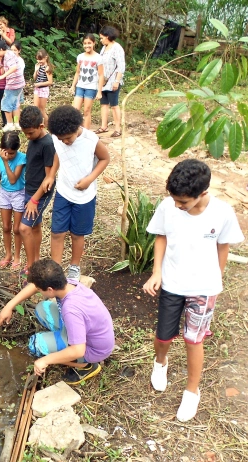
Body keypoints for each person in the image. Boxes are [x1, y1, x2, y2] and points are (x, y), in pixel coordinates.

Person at [143, 159, 244, 422]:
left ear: (202, 193)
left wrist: (216, 280)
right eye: (175, 200)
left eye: (184, 202)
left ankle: (191, 391)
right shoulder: (168, 206)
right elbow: (161, 235)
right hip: (173, 284)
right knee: (163, 337)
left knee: (193, 339)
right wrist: (157, 272)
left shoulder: (222, 213)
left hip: (204, 288)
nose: (178, 206)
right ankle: (160, 362)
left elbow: (223, 247)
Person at [0, 259, 115, 385]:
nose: (37, 290)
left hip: (93, 349)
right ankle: (61, 340)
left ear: (50, 289)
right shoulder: (69, 283)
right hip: (90, 334)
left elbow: (78, 351)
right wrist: (9, 306)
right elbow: (34, 286)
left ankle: (85, 366)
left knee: (35, 344)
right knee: (42, 308)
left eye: (40, 289)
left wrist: (45, 360)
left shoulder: (71, 310)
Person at [47, 105, 109, 281]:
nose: (65, 141)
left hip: (84, 197)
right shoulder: (57, 138)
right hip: (63, 192)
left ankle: (74, 266)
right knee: (57, 232)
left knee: (77, 234)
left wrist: (90, 179)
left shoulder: (91, 140)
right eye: (62, 139)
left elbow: (105, 158)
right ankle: (56, 269)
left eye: (68, 138)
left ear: (77, 128)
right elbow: (60, 153)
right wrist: (51, 175)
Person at [18, 106, 57, 273]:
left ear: (41, 126)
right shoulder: (34, 139)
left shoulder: (48, 144)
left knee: (24, 228)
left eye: (30, 133)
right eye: (25, 133)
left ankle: (31, 266)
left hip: (40, 193)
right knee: (35, 226)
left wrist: (35, 199)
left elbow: (49, 178)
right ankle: (36, 259)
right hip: (30, 188)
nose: (27, 137)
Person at [0, 131, 27, 270]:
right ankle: (8, 255)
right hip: (4, 193)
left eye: (12, 153)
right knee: (6, 227)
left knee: (17, 228)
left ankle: (17, 256)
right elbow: (0, 176)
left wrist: (6, 161)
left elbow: (13, 180)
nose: (9, 156)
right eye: (6, 153)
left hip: (18, 193)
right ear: (2, 149)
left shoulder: (21, 159)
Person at [96, 25, 125, 138]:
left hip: (113, 80)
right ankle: (104, 126)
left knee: (114, 105)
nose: (101, 40)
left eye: (102, 38)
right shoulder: (104, 48)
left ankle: (117, 128)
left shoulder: (117, 48)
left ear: (107, 36)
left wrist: (117, 81)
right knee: (104, 104)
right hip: (103, 81)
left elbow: (121, 65)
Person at [70, 34, 104, 130]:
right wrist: (73, 86)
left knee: (87, 111)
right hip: (80, 86)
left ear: (94, 43)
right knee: (75, 110)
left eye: (89, 43)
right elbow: (77, 72)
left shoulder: (98, 58)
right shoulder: (80, 57)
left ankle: (86, 133)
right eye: (85, 43)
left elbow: (101, 75)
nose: (87, 45)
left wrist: (99, 91)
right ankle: (77, 130)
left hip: (91, 87)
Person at [0, 40, 25, 132]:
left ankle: (10, 124)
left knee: (5, 103)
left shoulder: (8, 55)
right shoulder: (7, 55)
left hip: (14, 83)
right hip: (18, 83)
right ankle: (16, 124)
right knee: (15, 104)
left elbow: (13, 68)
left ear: (2, 49)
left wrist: (2, 76)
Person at [33, 49, 54, 127]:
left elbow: (50, 82)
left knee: (42, 110)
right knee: (35, 108)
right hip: (37, 89)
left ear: (46, 57)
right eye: (38, 59)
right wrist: (36, 71)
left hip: (43, 89)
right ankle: (38, 125)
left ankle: (46, 126)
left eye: (41, 59)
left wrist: (39, 84)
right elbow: (35, 78)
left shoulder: (47, 68)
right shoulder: (38, 66)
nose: (39, 61)